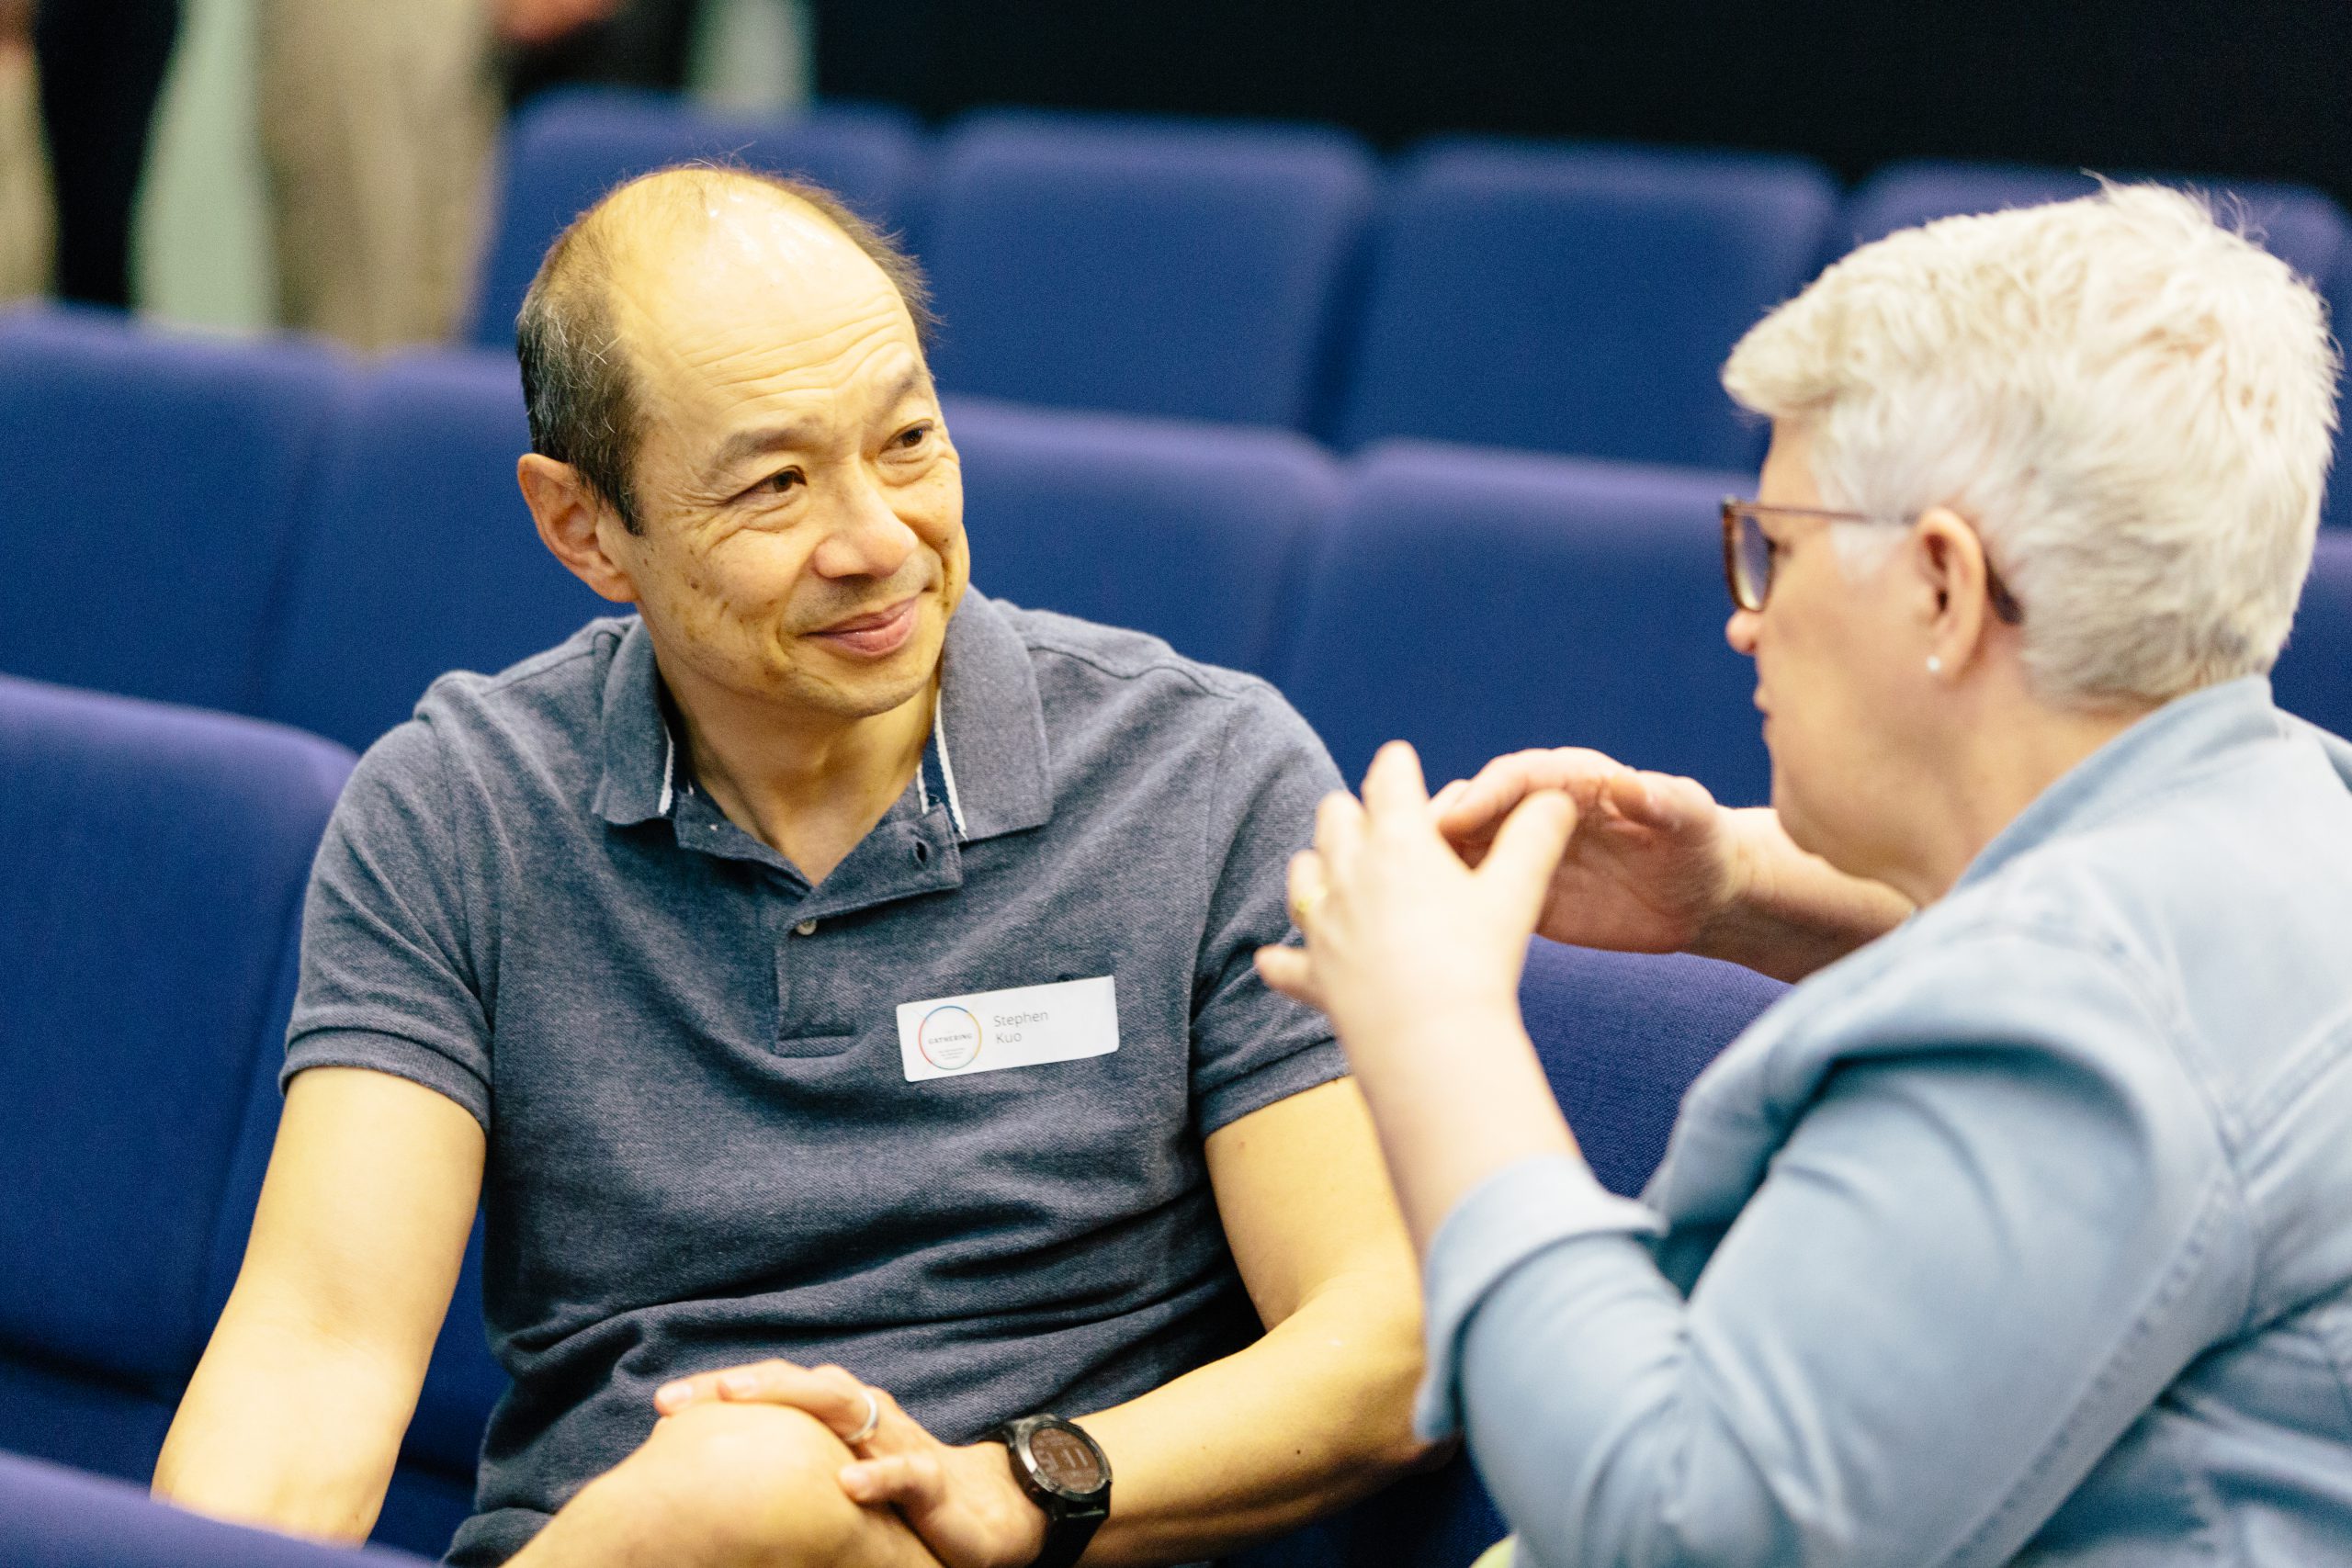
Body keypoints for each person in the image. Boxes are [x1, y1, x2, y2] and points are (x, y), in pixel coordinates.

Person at [153, 165, 1428, 1567]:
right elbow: (317, 1353)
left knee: (743, 1487)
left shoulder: (1206, 774)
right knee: (730, 1488)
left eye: (908, 443)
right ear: (584, 528)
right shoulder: (458, 809)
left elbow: (1386, 1338)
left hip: (1032, 1540)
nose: (879, 543)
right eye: (775, 485)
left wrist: (1019, 1487)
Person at [1259, 183, 2352, 1565]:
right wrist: (1727, 888)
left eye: (1777, 550)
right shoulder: (2290, 803)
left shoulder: (2063, 1019)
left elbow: (1674, 1530)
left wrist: (1438, 1029)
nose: (1745, 620)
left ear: (1944, 588)